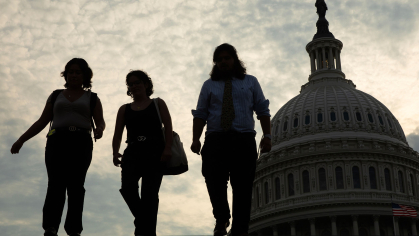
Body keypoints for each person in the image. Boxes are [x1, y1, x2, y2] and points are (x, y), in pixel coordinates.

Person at [10, 58, 105, 236]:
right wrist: (21, 139)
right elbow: (42, 121)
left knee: (76, 186)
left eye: (78, 72)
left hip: (81, 142)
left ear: (85, 76)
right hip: (57, 140)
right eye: (71, 71)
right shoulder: (56, 95)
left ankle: (74, 230)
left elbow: (100, 121)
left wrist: (99, 129)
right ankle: (51, 227)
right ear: (66, 74)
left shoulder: (92, 98)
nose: (74, 75)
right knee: (56, 184)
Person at [191, 43, 272, 236]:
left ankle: (239, 229)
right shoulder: (209, 85)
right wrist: (195, 139)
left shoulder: (251, 82)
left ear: (234, 60)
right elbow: (200, 113)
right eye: (219, 60)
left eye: (227, 58)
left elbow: (262, 110)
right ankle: (222, 217)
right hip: (215, 139)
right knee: (213, 179)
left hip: (243, 140)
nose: (223, 62)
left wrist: (267, 136)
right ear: (215, 64)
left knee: (242, 187)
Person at [112, 70, 173, 236]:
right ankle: (144, 222)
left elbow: (168, 126)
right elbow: (117, 133)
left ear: (146, 84)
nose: (134, 86)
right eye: (130, 84)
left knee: (150, 195)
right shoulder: (124, 109)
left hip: (155, 152)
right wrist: (115, 152)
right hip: (132, 151)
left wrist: (168, 148)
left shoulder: (158, 103)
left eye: (137, 82)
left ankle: (145, 232)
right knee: (127, 188)